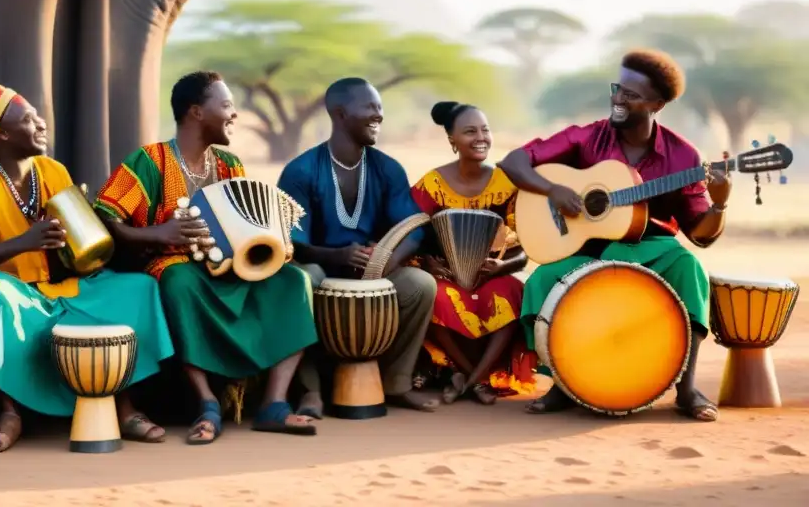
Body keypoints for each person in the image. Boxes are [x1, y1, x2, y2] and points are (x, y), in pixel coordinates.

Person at [0, 81, 175, 453]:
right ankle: (9, 413)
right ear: (1, 133)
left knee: (136, 288)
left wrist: (80, 241)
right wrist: (24, 243)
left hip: (59, 289)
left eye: (38, 116)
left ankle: (124, 404)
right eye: (29, 120)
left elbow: (77, 250)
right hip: (14, 296)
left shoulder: (52, 171)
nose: (42, 124)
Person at [499, 50, 730, 422]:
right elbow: (513, 162)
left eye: (631, 95)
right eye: (617, 89)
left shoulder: (684, 157)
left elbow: (701, 235)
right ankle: (563, 382)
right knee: (541, 280)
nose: (618, 99)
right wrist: (553, 190)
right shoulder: (587, 137)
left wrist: (718, 207)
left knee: (690, 267)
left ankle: (686, 388)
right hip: (588, 249)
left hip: (650, 247)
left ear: (657, 104)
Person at [93, 71, 319, 445]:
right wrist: (157, 233)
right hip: (174, 267)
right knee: (179, 281)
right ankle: (207, 402)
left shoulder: (230, 165)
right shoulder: (149, 161)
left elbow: (247, 225)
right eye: (227, 105)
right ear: (197, 112)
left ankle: (274, 404)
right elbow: (103, 215)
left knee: (294, 281)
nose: (234, 114)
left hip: (230, 269)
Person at [278, 78, 439, 418]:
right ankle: (311, 390)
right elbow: (293, 243)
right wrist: (335, 256)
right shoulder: (301, 171)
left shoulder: (387, 168)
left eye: (380, 108)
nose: (378, 115)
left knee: (420, 285)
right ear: (339, 113)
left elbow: (414, 228)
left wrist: (385, 261)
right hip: (320, 269)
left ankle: (397, 382)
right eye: (369, 107)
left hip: (372, 272)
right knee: (302, 279)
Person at [409, 101, 537, 405]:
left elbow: (526, 249)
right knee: (433, 296)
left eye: (485, 130)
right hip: (448, 276)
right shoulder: (432, 184)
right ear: (452, 140)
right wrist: (426, 263)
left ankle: (470, 379)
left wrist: (503, 267)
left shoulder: (506, 184)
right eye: (469, 131)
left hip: (492, 274)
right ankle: (474, 377)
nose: (480, 137)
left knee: (512, 292)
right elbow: (411, 233)